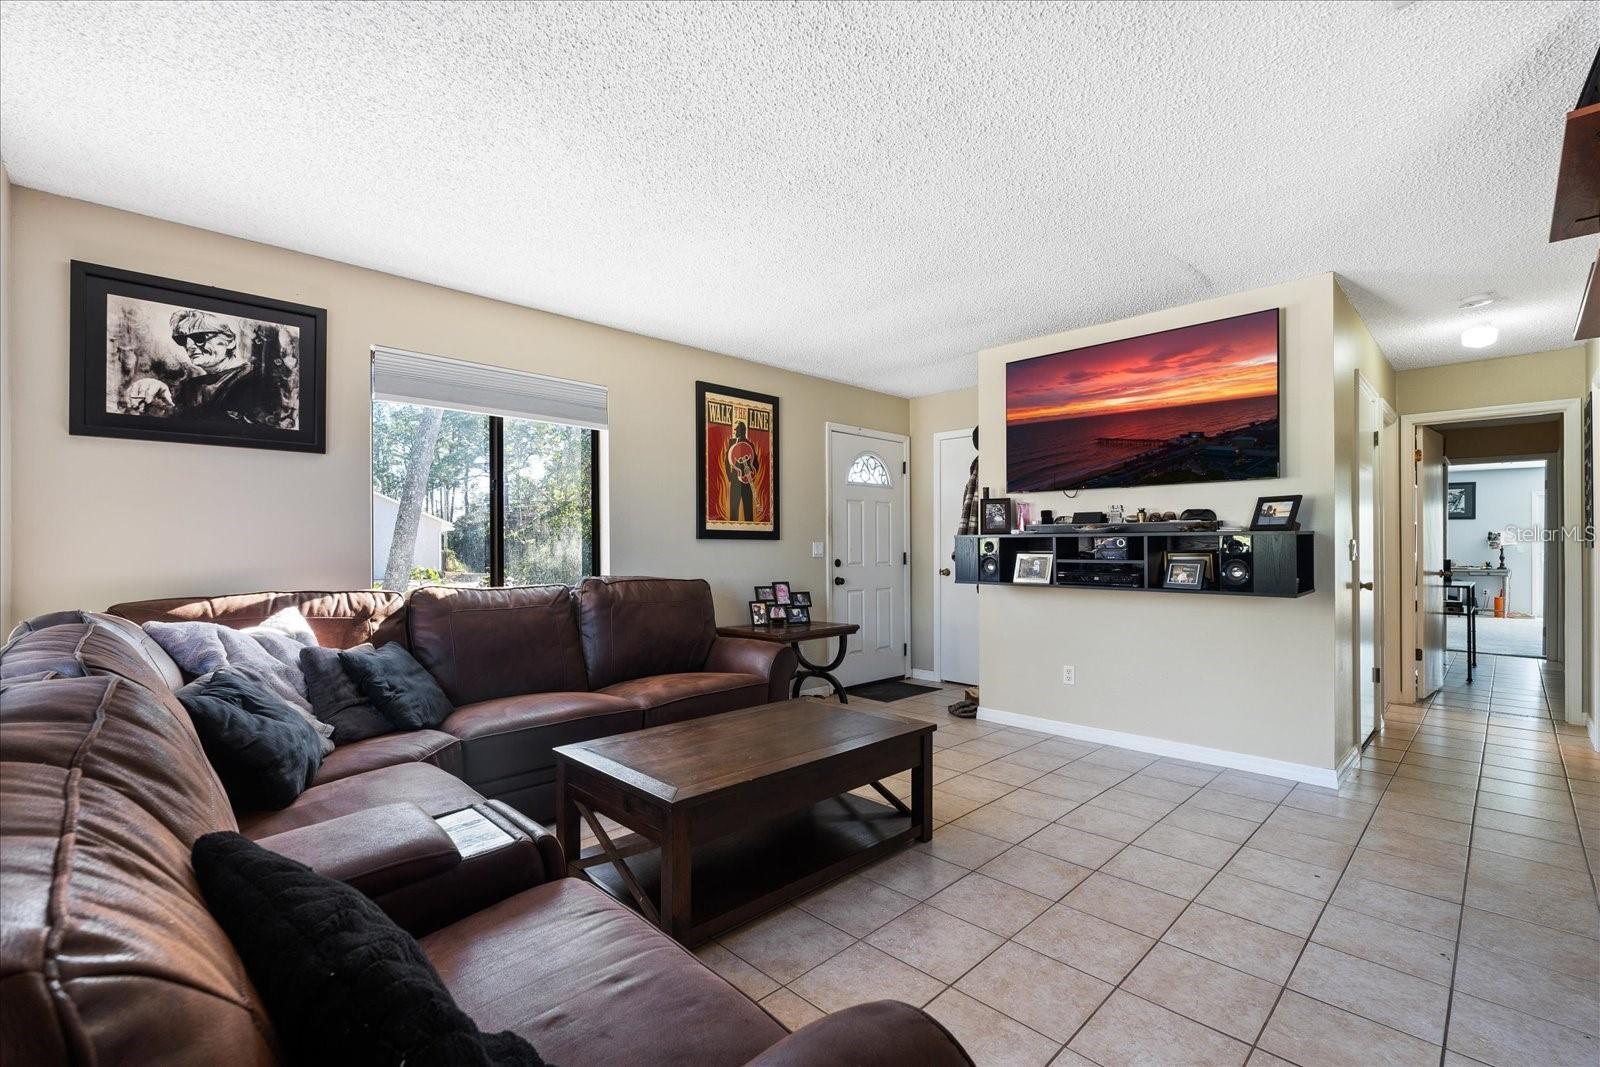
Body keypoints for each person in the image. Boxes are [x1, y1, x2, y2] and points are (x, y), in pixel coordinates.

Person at [949, 425, 981, 719]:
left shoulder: (979, 467)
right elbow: (971, 509)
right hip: (977, 549)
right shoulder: (979, 467)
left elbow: (969, 509)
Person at [724, 419, 760, 521]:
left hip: (747, 481)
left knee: (748, 510)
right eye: (735, 430)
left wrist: (751, 476)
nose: (735, 432)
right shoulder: (731, 442)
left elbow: (756, 463)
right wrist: (730, 477)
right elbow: (726, 461)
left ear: (742, 430)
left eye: (737, 430)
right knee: (734, 509)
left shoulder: (750, 445)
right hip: (735, 480)